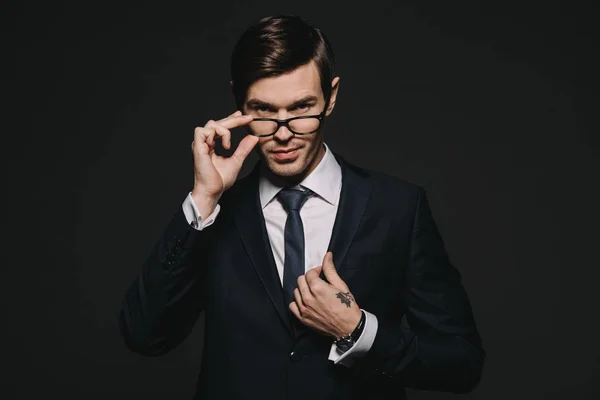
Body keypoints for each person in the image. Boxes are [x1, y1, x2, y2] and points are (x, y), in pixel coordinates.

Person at [119, 14, 485, 400]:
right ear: (238, 101)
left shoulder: (398, 208)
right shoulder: (214, 216)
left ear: (331, 97)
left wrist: (358, 331)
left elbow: (461, 363)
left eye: (301, 109)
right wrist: (203, 200)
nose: (282, 132)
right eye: (262, 111)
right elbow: (144, 335)